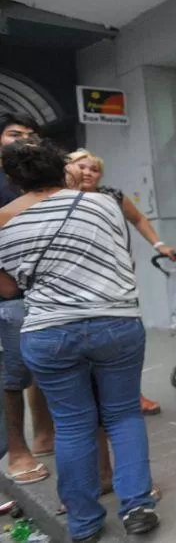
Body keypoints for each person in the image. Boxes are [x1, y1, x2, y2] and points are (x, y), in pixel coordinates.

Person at [0, 139, 158, 542]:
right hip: (115, 323)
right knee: (123, 415)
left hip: (49, 330)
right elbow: (123, 257)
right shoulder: (104, 204)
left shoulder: (2, 218)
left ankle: (84, 523)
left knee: (72, 426)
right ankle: (137, 505)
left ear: (14, 178)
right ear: (63, 170)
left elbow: (6, 289)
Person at [65, 149, 176, 416]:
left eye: (94, 168)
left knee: (127, 339)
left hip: (118, 281)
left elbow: (138, 218)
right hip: (74, 285)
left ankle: (132, 395)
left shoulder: (112, 196)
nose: (89, 172)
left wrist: (159, 244)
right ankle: (89, 402)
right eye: (82, 167)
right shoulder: (56, 199)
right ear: (67, 169)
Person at [0, 112, 55, 486]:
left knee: (47, 368)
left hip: (47, 291)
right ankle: (16, 449)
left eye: (32, 135)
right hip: (10, 294)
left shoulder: (37, 180)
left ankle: (45, 435)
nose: (24, 140)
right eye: (14, 134)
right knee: (13, 375)